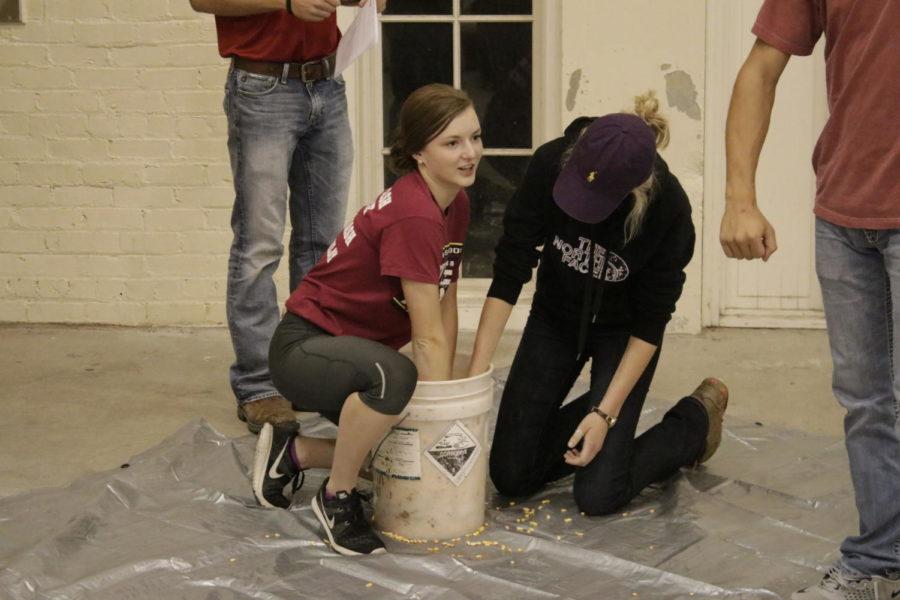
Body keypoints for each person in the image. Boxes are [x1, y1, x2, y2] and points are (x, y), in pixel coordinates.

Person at [467, 93, 729, 516]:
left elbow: (650, 326)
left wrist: (606, 415)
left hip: (623, 334)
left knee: (598, 494)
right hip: (555, 316)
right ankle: (609, 413)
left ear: (636, 191)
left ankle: (695, 422)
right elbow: (513, 262)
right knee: (511, 475)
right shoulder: (550, 162)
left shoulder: (669, 211)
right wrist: (475, 374)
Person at [250, 84, 482, 556]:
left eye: (475, 137)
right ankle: (335, 498)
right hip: (305, 350)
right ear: (419, 152)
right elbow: (425, 337)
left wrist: (437, 405)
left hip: (351, 354)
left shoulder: (453, 201)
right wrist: (435, 419)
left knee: (402, 458)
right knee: (399, 378)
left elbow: (445, 301)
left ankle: (294, 453)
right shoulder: (414, 214)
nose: (470, 153)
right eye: (452, 143)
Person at [720, 2, 900, 598]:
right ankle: (880, 559)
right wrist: (739, 197)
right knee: (865, 400)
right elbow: (760, 69)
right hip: (845, 214)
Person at [188, 0, 385, 434]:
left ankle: (308, 372)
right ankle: (259, 385)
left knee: (325, 247)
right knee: (260, 245)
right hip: (263, 87)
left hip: (327, 82)